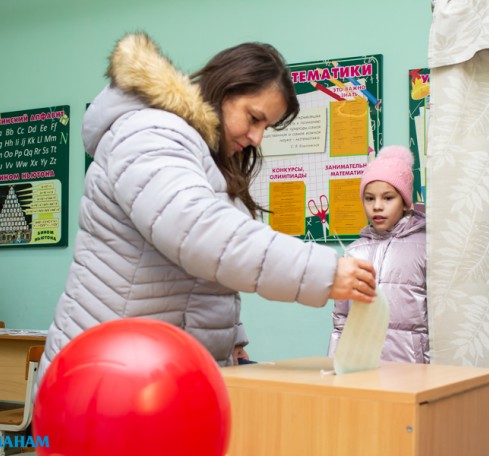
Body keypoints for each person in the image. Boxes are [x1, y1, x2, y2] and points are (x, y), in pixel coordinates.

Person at [37, 32, 376, 384]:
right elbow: (200, 233)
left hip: (142, 371)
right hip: (101, 378)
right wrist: (323, 271)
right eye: (254, 118)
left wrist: (232, 337)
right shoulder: (151, 132)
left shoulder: (200, 154)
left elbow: (203, 272)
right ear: (224, 92)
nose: (257, 138)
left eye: (267, 127)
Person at [328, 146, 428, 363]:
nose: (377, 207)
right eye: (369, 198)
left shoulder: (425, 247)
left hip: (413, 366)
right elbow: (341, 318)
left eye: (388, 198)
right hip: (364, 366)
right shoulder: (354, 252)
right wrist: (335, 363)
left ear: (404, 203)